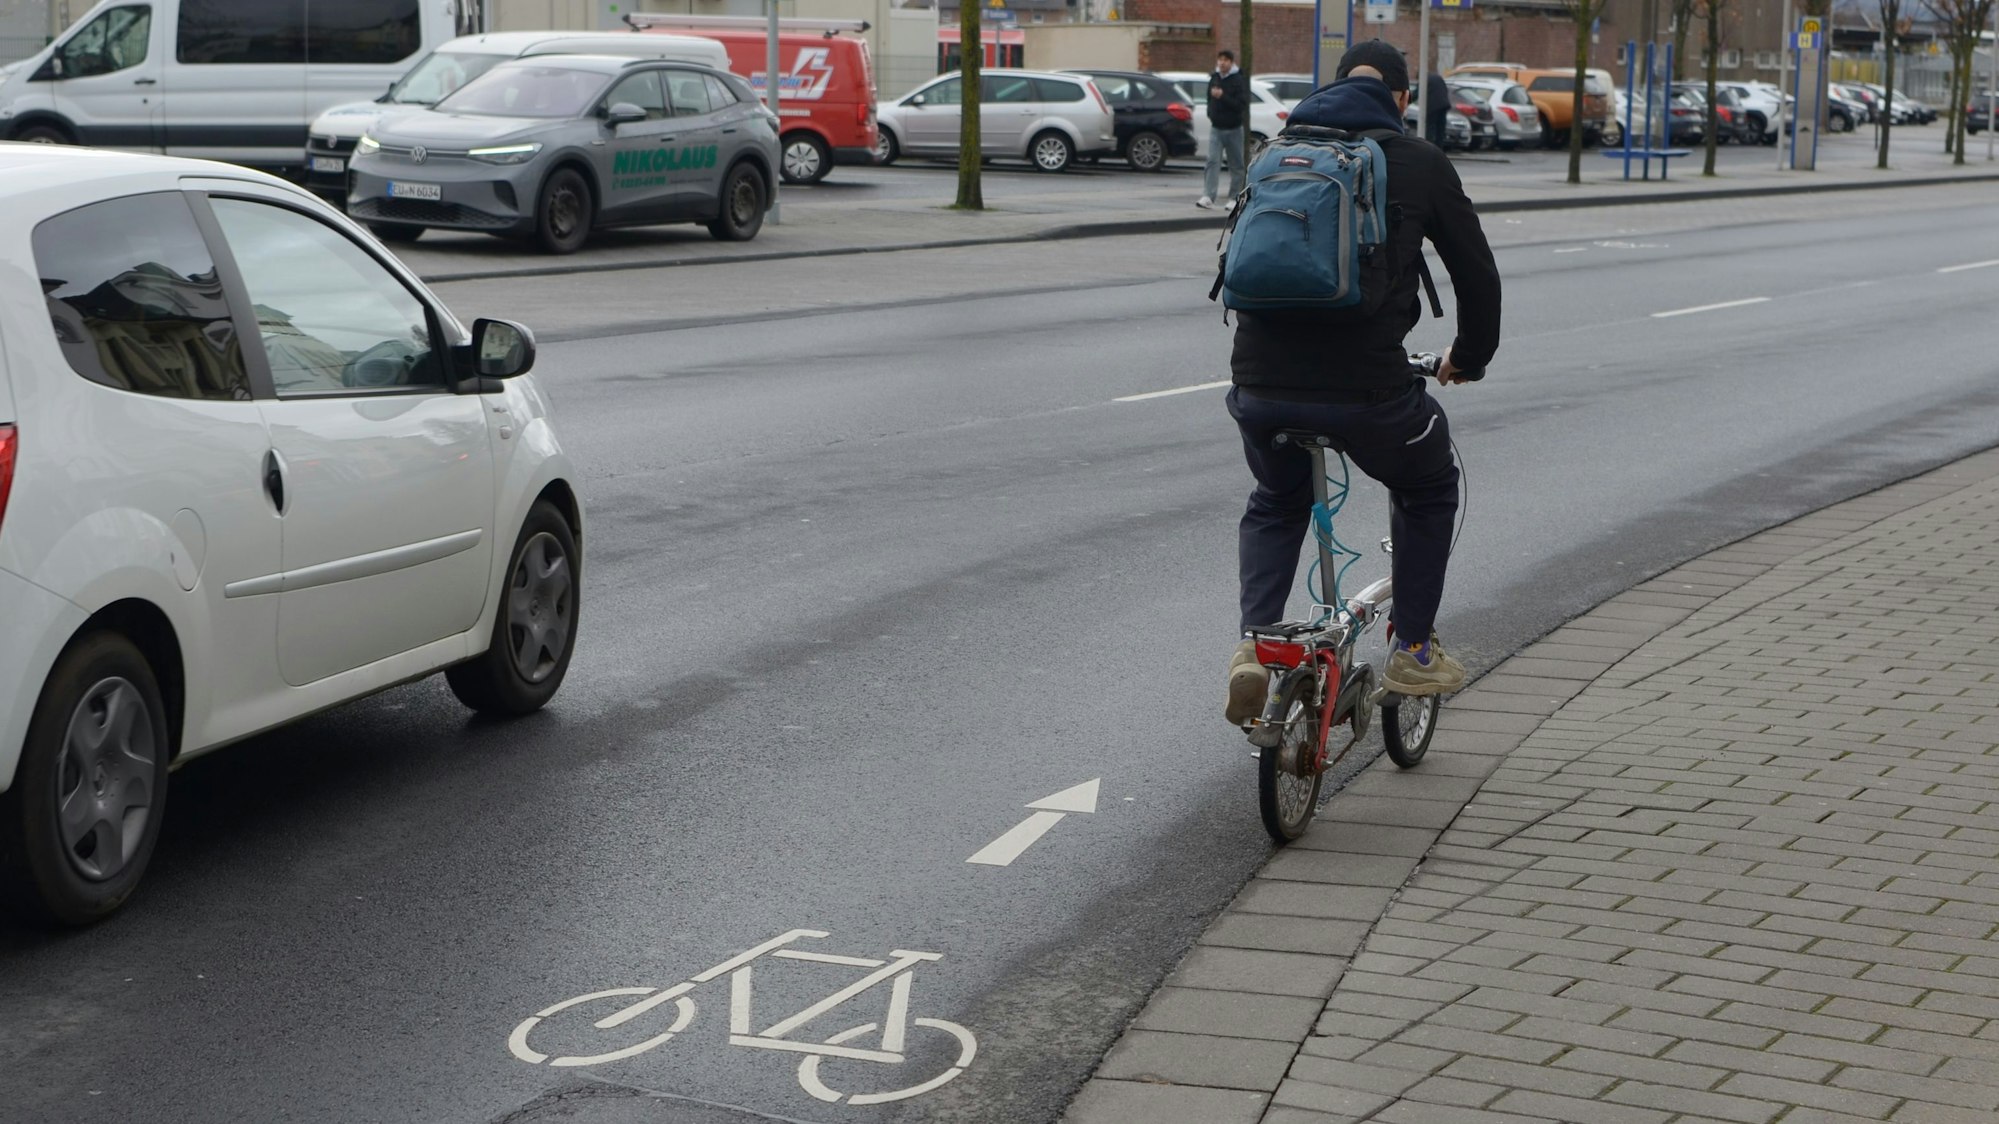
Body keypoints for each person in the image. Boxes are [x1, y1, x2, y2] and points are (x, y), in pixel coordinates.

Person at [1223, 40, 1502, 724]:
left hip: (1257, 385)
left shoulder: (1274, 153)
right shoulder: (1418, 161)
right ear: (1401, 98)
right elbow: (1476, 278)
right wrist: (1466, 357)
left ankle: (1255, 648)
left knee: (1275, 498)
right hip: (1369, 392)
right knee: (1428, 485)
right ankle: (1412, 649)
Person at [1197, 50, 1251, 210]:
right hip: (1216, 128)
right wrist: (1210, 113)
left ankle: (1234, 197)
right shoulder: (1214, 78)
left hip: (1234, 128)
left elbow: (1241, 105)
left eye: (1225, 60)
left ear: (1231, 62)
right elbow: (1209, 98)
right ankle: (1208, 196)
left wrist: (1223, 96)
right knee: (1212, 161)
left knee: (1236, 164)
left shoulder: (1239, 80)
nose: (1222, 63)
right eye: (1219, 59)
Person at [1425, 69, 1451, 148]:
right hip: (1444, 105)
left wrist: (1407, 102)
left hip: (1433, 107)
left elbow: (1417, 93)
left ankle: (1430, 147)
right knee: (1441, 129)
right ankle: (1440, 148)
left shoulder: (1425, 80)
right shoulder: (1438, 78)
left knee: (1431, 128)